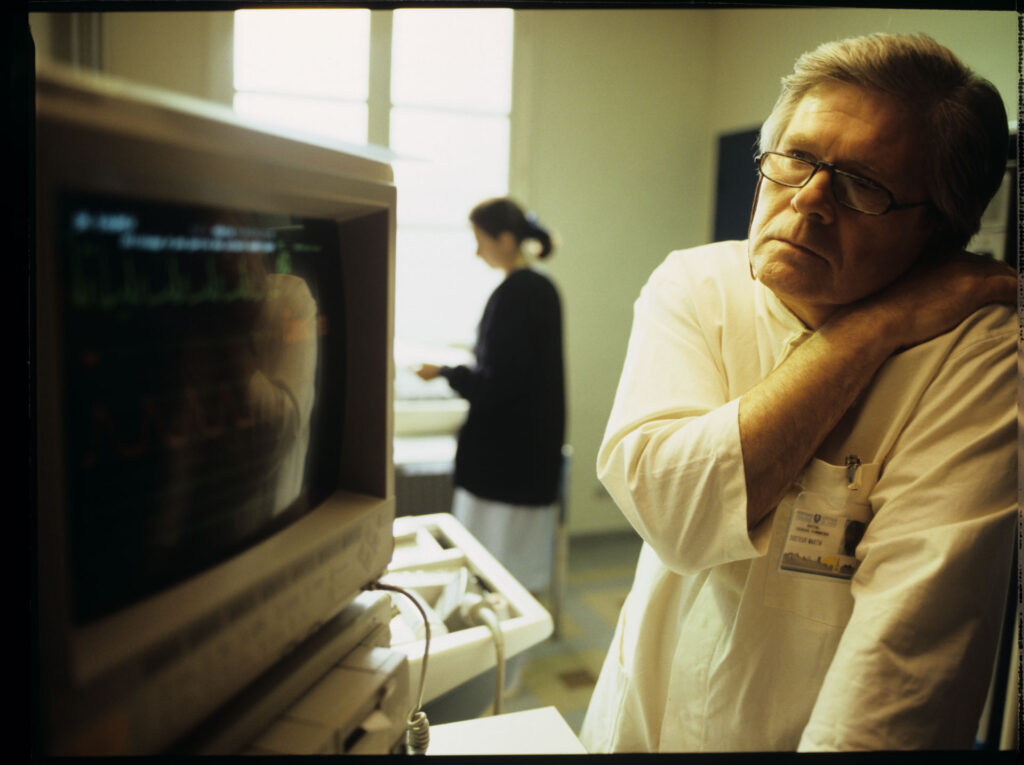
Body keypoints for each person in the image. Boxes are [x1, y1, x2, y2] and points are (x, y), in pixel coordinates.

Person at [580, 33, 1016, 752]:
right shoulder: (698, 284)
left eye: (863, 185)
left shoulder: (979, 355)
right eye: (797, 159)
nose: (810, 200)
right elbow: (672, 511)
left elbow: (901, 670)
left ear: (937, 230)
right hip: (639, 723)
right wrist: (876, 325)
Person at [416, 198, 565, 592]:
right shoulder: (537, 290)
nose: (476, 250)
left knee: (494, 573)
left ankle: (500, 651)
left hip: (505, 465)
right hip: (525, 460)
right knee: (513, 573)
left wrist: (446, 372)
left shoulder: (518, 294)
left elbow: (498, 382)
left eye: (479, 240)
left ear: (503, 239)